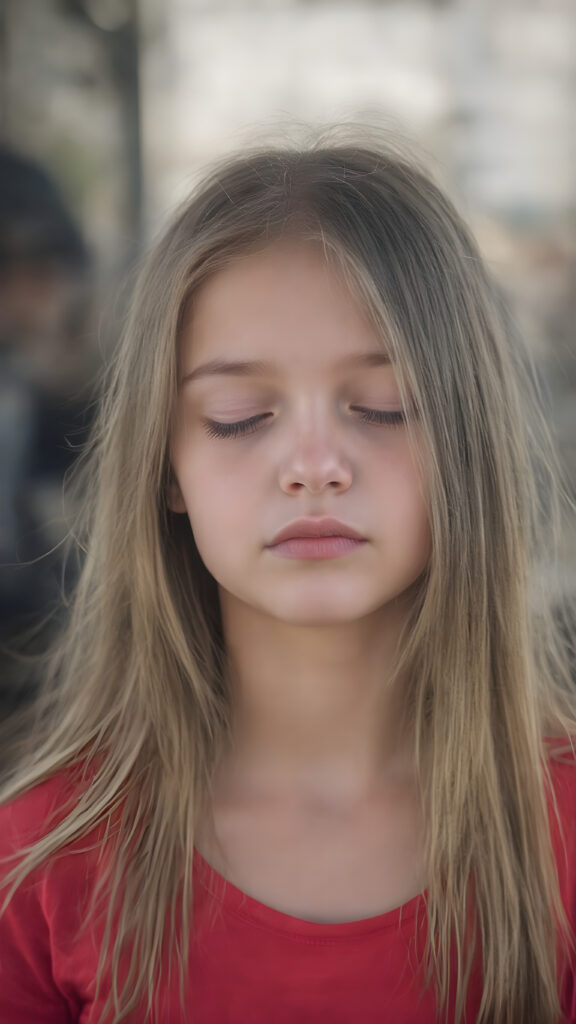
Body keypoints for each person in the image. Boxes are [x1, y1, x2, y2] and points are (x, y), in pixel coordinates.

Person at [0, 129, 575, 1024]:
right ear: (163, 464)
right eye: (239, 416)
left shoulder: (562, 839)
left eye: (384, 406)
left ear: (469, 440)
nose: (314, 465)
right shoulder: (38, 860)